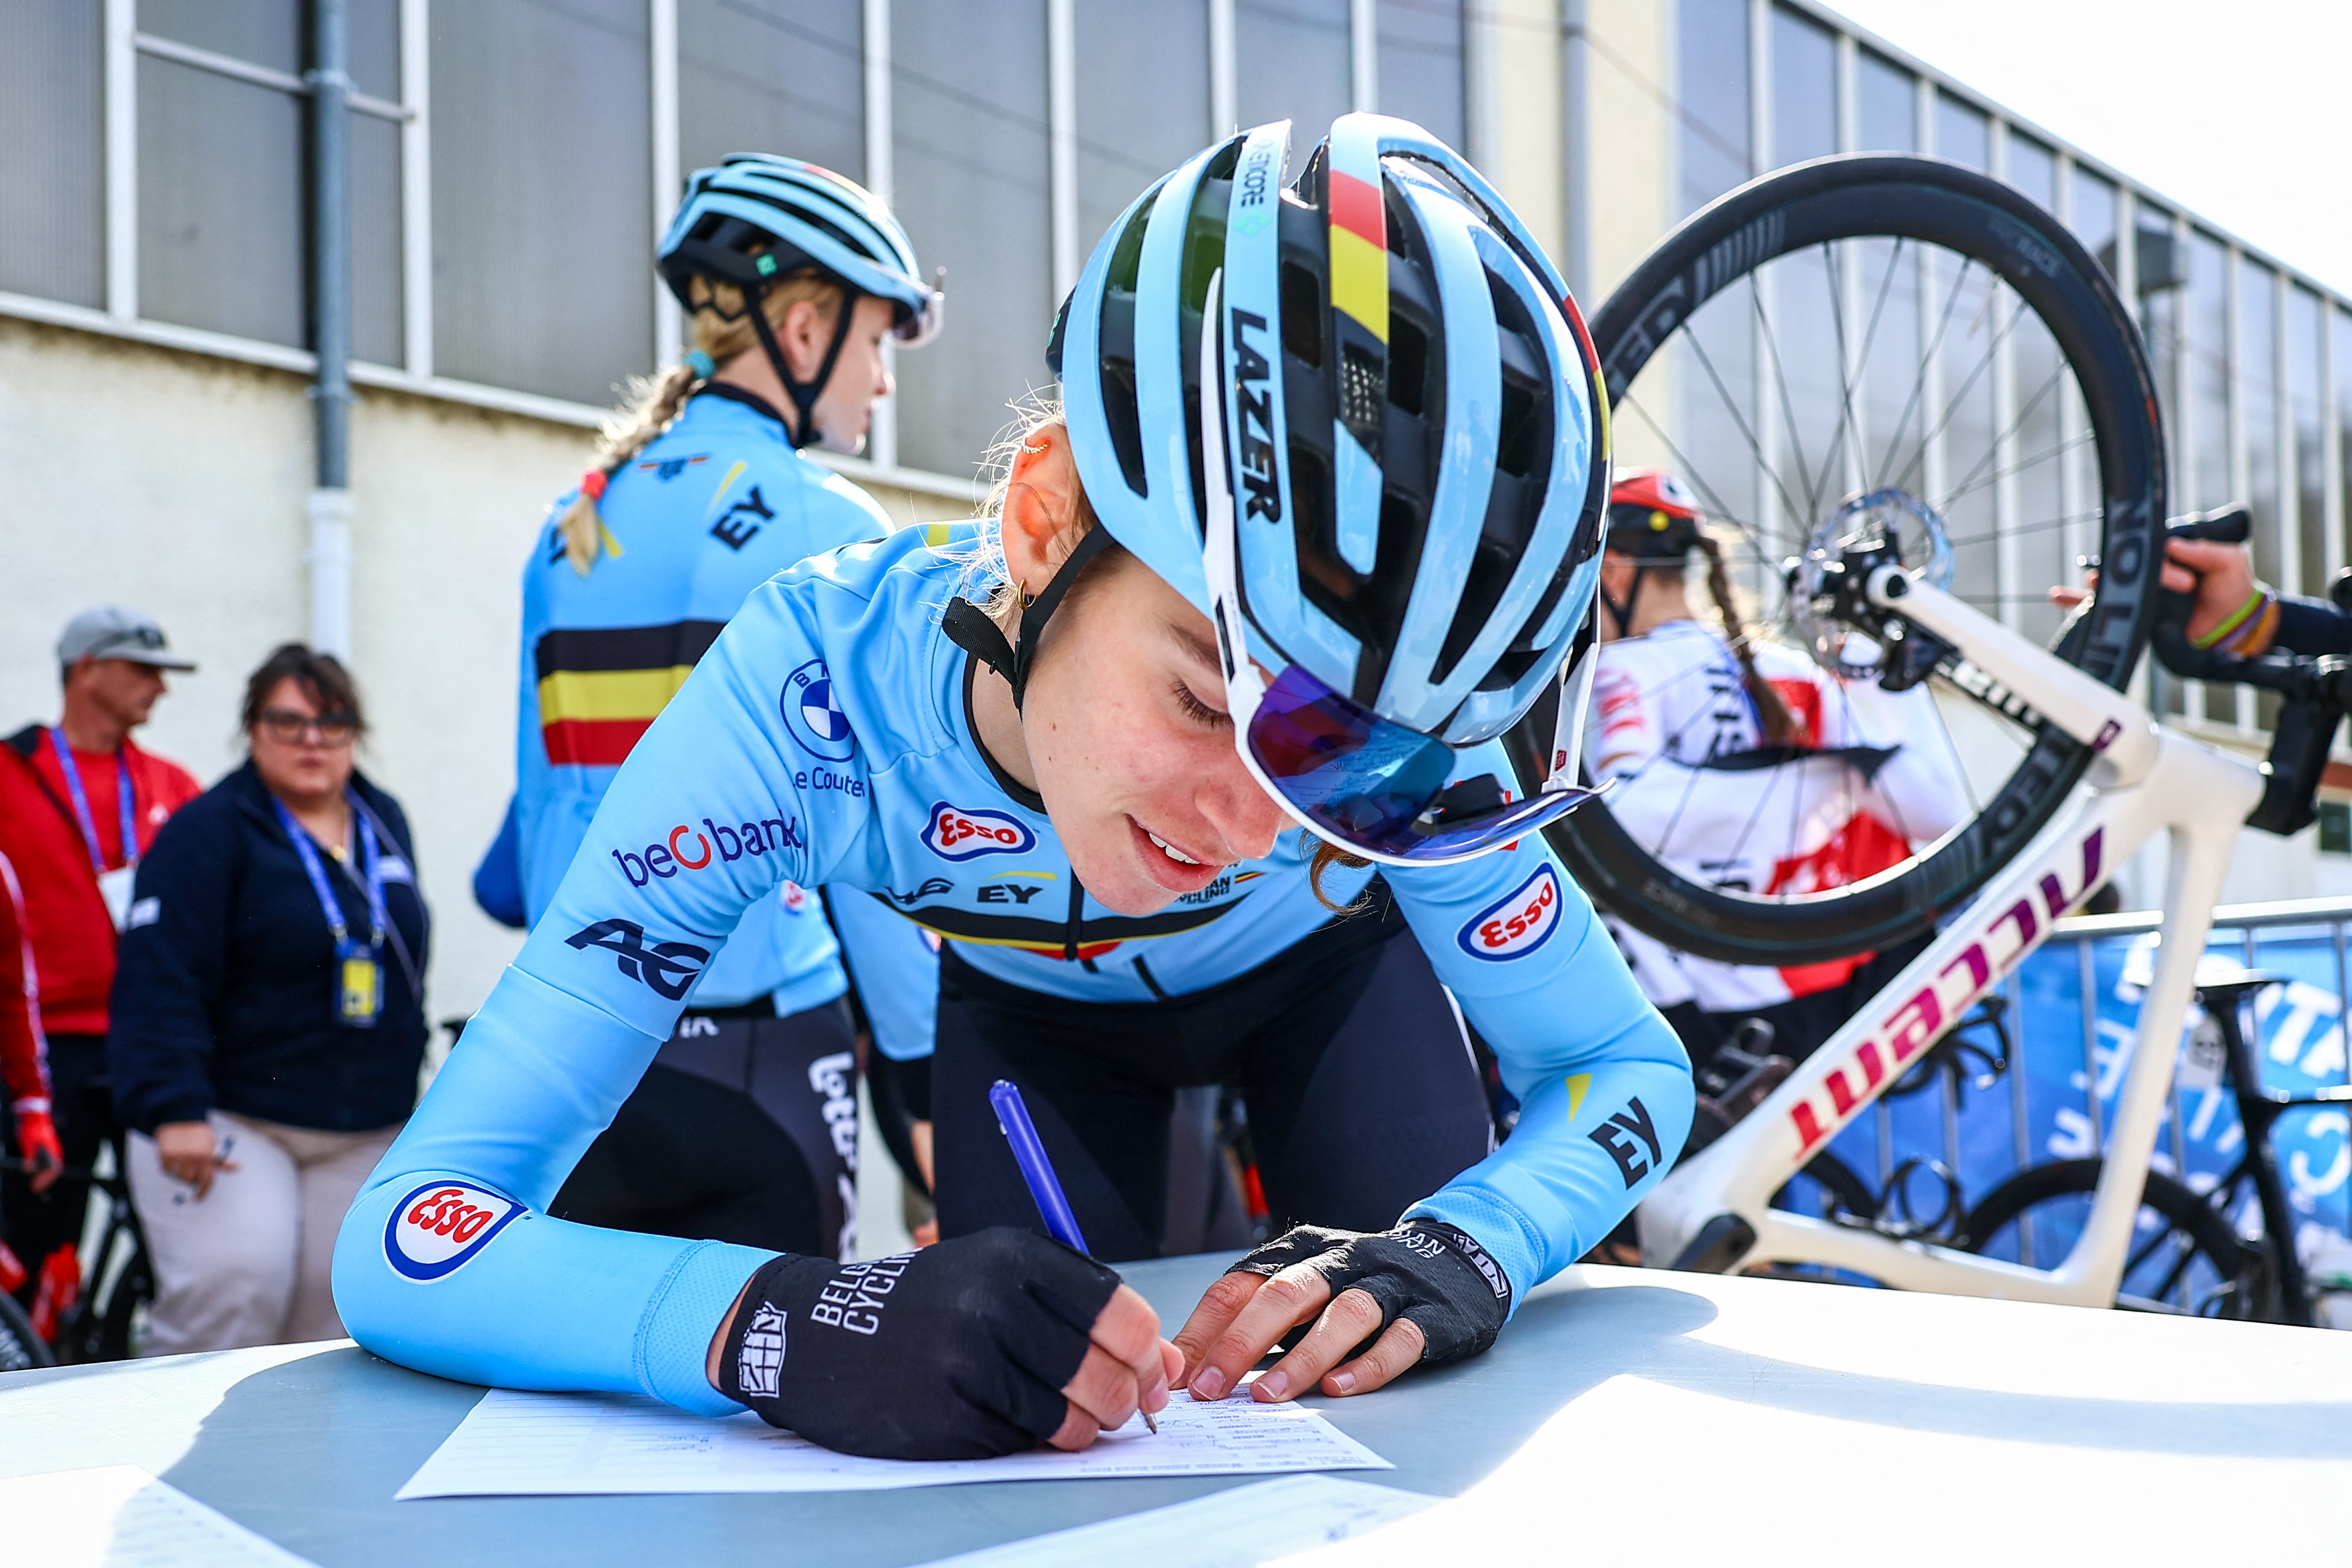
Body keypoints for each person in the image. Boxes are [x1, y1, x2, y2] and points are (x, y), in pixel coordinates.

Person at [334, 115, 1689, 1462]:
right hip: (1041, 1029)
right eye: (1213, 700)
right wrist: (782, 1319)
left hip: (1323, 989)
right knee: (1038, 1443)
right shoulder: (816, 686)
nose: (1254, 826)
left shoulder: (1416, 727)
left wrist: (1474, 1243)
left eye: (1359, 766)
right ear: (1042, 524)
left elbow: (1625, 1065)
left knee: (1404, 1435)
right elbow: (411, 1237)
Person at [483, 153, 946, 1264]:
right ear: (801, 332)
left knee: (580, 1418)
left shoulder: (571, 523)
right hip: (764, 1059)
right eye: (878, 340)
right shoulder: (824, 514)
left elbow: (517, 856)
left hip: (581, 1065)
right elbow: (877, 841)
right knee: (779, 1403)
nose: (881, 382)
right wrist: (931, 1074)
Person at [1587, 471, 1967, 1074]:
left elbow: (1618, 819)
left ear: (1612, 572)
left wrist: (1807, 782)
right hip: (1822, 993)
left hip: (1699, 1016)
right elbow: (1939, 813)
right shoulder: (1792, 668)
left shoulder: (1623, 670)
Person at [109, 645, 430, 1353]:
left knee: (338, 1322)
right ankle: (177, 1462)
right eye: (287, 721)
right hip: (230, 1117)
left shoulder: (382, 820)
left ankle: (304, 1466)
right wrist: (173, 1108)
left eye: (332, 721)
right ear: (253, 729)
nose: (311, 740)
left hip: (364, 1123)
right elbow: (160, 976)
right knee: (235, 1292)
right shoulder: (207, 831)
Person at [0, 606, 202, 1320]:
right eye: (144, 669)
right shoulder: (12, 770)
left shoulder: (174, 786)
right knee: (37, 1235)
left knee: (182, 1243)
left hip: (151, 1044)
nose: (161, 688)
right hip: (45, 1051)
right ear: (88, 667)